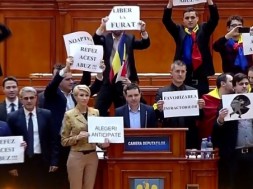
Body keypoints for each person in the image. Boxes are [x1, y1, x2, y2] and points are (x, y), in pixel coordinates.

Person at [43, 57, 104, 189]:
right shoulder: (51, 94)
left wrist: (99, 73)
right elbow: (52, 86)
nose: (72, 81)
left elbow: (93, 89)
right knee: (61, 179)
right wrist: (65, 69)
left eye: (72, 79)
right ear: (59, 81)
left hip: (79, 143)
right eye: (67, 79)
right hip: (59, 142)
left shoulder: (76, 94)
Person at [93, 16, 150, 116]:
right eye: (115, 24)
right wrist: (102, 26)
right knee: (98, 110)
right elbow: (95, 40)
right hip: (108, 81)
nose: (117, 27)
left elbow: (144, 44)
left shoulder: (129, 38)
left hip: (124, 82)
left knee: (123, 113)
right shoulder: (106, 38)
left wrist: (143, 31)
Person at [162, 0, 219, 97]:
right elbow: (166, 21)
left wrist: (210, 2)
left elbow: (214, 18)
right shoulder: (178, 30)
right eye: (187, 18)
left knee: (201, 103)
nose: (190, 20)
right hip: (183, 75)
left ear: (197, 18)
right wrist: (170, 4)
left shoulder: (204, 29)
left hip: (201, 74)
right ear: (183, 20)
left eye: (192, 17)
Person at [7, 86, 58, 189]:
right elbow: (9, 142)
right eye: (26, 98)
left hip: (42, 161)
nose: (29, 101)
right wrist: (12, 166)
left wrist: (54, 161)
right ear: (21, 99)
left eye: (31, 97)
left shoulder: (46, 114)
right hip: (22, 162)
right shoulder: (13, 117)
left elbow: (53, 139)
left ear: (36, 98)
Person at [61, 84, 110, 189]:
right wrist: (77, 137)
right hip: (76, 155)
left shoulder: (95, 112)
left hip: (92, 155)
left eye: (87, 95)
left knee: (89, 187)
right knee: (76, 187)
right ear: (75, 97)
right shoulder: (69, 114)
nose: (84, 98)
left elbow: (97, 136)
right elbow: (64, 141)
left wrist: (102, 144)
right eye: (81, 95)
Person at [212, 73, 252, 189]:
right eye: (241, 84)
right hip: (233, 155)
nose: (244, 86)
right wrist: (220, 119)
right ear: (234, 87)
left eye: (246, 84)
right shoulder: (225, 103)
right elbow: (216, 132)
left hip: (251, 154)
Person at [154, 60, 205, 149]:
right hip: (169, 134)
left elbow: (200, 118)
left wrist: (200, 108)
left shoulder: (193, 92)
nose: (180, 74)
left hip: (190, 135)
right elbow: (157, 117)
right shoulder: (162, 92)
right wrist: (159, 110)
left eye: (183, 71)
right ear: (171, 73)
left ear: (186, 73)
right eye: (177, 71)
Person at [197, 73, 234, 139]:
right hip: (210, 138)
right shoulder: (207, 99)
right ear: (223, 83)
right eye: (231, 81)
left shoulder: (235, 98)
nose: (234, 84)